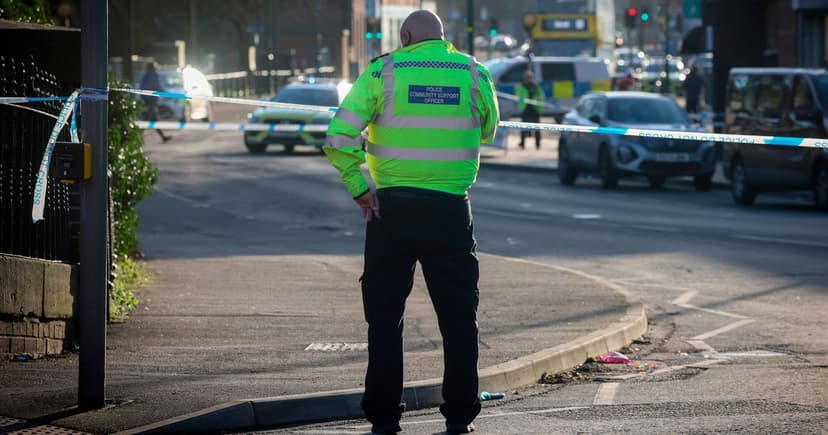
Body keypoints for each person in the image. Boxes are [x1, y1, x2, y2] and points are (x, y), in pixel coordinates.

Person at [323, 9, 499, 435]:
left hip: (391, 211)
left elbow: (337, 137)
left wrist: (359, 188)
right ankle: (459, 415)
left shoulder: (383, 71)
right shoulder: (474, 73)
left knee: (384, 318)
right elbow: (489, 129)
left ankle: (384, 417)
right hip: (450, 210)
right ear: (443, 37)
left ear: (405, 36)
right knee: (459, 318)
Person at [139, 61, 172, 143]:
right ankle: (137, 137)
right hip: (151, 100)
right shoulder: (153, 75)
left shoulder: (145, 75)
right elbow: (156, 86)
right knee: (147, 120)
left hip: (146, 99)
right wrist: (165, 94)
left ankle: (163, 137)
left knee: (154, 120)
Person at [515, 70, 543, 150]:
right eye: (527, 77)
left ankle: (538, 144)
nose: (528, 79)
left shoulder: (535, 87)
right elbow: (518, 96)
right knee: (523, 128)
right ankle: (522, 143)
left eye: (530, 77)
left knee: (537, 128)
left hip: (534, 110)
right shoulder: (522, 87)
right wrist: (521, 105)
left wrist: (539, 108)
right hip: (525, 109)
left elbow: (540, 97)